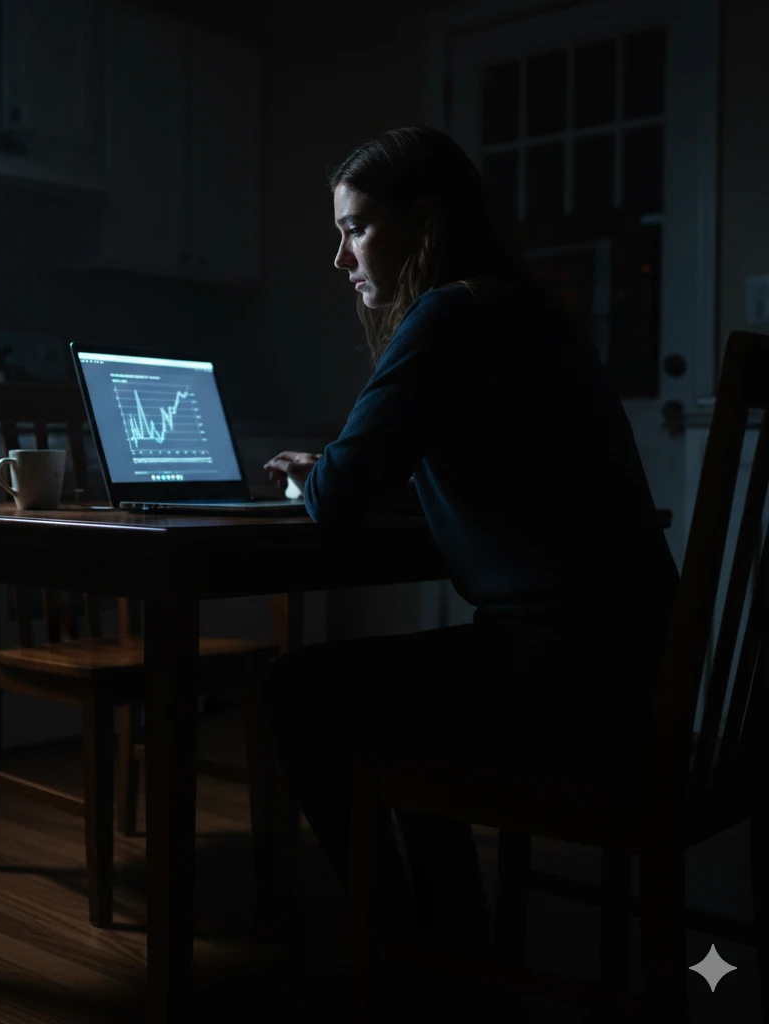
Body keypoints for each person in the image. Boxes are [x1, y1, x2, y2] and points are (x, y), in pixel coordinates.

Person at [260, 126, 680, 946]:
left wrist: (310, 474)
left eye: (356, 228)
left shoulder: (450, 313)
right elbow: (497, 474)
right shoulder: (528, 314)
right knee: (404, 692)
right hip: (641, 663)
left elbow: (340, 497)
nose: (341, 259)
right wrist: (348, 468)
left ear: (425, 221)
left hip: (571, 679)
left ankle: (399, 948)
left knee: (295, 690)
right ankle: (452, 935)